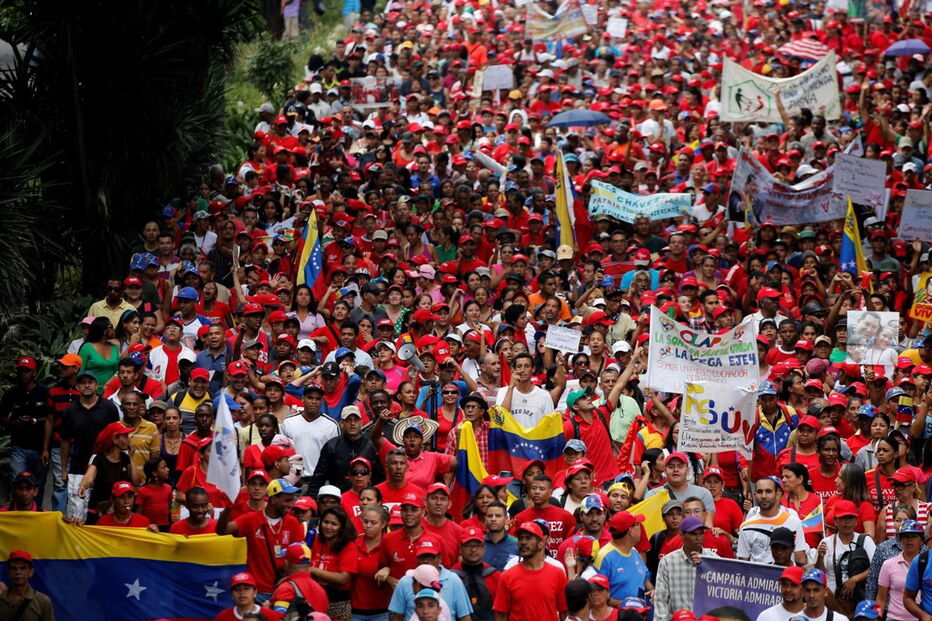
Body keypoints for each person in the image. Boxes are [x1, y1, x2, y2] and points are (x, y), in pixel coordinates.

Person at [217, 478, 305, 603]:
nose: (291, 505)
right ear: (273, 499)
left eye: (293, 500)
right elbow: (222, 531)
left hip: (284, 591)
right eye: (287, 500)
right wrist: (229, 508)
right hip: (257, 593)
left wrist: (287, 581)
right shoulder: (251, 519)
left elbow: (299, 560)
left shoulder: (293, 523)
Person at [59, 371, 120, 521]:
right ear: (77, 386)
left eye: (90, 382)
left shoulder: (109, 407)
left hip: (103, 468)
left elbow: (116, 436)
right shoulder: (70, 410)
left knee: (103, 513)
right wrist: (64, 469)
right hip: (78, 467)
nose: (87, 385)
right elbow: (65, 441)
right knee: (76, 513)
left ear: (96, 385)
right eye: (83, 383)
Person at [493, 521, 568, 621]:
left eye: (528, 538)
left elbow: (564, 613)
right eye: (520, 538)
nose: (523, 542)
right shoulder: (507, 576)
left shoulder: (557, 574)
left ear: (541, 544)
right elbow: (501, 615)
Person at [815, 500, 875, 615]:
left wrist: (854, 579)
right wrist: (820, 557)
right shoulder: (826, 542)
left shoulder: (865, 541)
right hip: (833, 603)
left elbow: (876, 568)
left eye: (850, 518)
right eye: (843, 518)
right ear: (835, 521)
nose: (847, 522)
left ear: (856, 521)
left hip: (861, 601)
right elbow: (820, 574)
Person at [309, 405, 384, 497]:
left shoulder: (369, 446)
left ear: (361, 422)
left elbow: (378, 477)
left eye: (356, 420)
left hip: (364, 498)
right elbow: (319, 477)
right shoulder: (332, 446)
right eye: (348, 420)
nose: (352, 423)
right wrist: (311, 500)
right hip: (337, 499)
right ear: (342, 423)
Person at [737, 478, 808, 566]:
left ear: (777, 494)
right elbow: (743, 565)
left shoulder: (793, 522)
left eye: (768, 491)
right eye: (759, 492)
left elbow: (800, 558)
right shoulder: (746, 527)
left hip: (787, 577)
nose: (763, 496)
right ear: (754, 495)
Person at [654, 516, 709, 621]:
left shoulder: (713, 560)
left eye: (701, 533)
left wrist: (706, 565)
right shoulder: (667, 562)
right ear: (682, 535)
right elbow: (661, 599)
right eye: (693, 534)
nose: (698, 537)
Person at [594, 511, 650, 601]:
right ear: (630, 531)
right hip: (618, 614)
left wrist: (653, 591)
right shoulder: (605, 557)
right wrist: (624, 605)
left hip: (639, 613)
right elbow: (597, 595)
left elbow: (645, 579)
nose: (641, 527)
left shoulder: (634, 551)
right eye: (638, 524)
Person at [352, 505, 392, 621]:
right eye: (365, 522)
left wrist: (389, 569)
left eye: (373, 523)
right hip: (354, 611)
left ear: (383, 524)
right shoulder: (354, 544)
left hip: (382, 612)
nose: (368, 526)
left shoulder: (389, 544)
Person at [877, 520, 924, 621]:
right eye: (905, 536)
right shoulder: (888, 565)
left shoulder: (928, 565)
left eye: (914, 536)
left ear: (921, 540)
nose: (909, 540)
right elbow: (881, 599)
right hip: (894, 618)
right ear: (900, 540)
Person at [451, 527, 500, 621]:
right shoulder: (451, 577)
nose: (473, 550)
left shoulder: (496, 576)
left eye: (477, 545)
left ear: (484, 548)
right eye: (468, 545)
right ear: (460, 548)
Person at [0, 550, 55, 621]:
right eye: (14, 568)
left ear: (31, 572)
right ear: (8, 572)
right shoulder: (1, 599)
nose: (18, 572)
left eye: (23, 568)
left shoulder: (42, 601)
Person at [213, 572, 284, 620]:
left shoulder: (271, 616)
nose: (242, 593)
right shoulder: (223, 617)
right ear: (232, 594)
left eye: (246, 589)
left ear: (255, 592)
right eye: (237, 590)